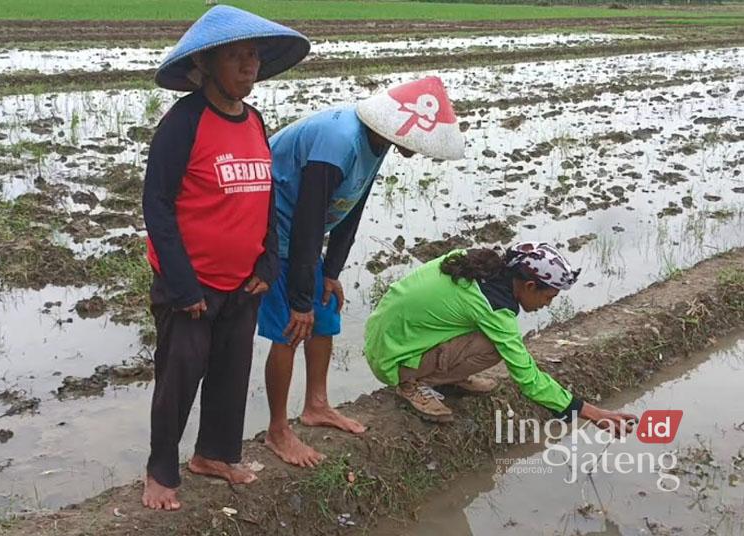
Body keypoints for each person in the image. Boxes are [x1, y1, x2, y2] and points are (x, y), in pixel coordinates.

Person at [141, 6, 309, 511]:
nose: (248, 65)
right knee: (180, 373)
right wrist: (181, 283)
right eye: (235, 56)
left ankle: (214, 455)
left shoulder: (254, 120)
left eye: (253, 55)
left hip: (243, 281)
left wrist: (268, 263)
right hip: (191, 283)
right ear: (208, 65)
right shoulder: (183, 123)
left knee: (232, 371)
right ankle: (160, 470)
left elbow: (263, 196)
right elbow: (158, 205)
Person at [258, 77, 466, 467]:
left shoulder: (377, 140)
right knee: (291, 325)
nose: (418, 151)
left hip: (301, 236)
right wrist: (300, 298)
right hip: (272, 233)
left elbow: (351, 207)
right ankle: (277, 430)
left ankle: (316, 406)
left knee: (324, 315)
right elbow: (306, 221)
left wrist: (331, 271)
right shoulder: (337, 142)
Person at [364, 242, 637, 433]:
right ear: (529, 285)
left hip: (386, 339)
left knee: (481, 332)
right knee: (495, 346)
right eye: (548, 297)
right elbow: (527, 378)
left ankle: (447, 376)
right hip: (394, 360)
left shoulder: (473, 265)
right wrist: (590, 412)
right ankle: (412, 384)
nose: (547, 304)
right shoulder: (493, 307)